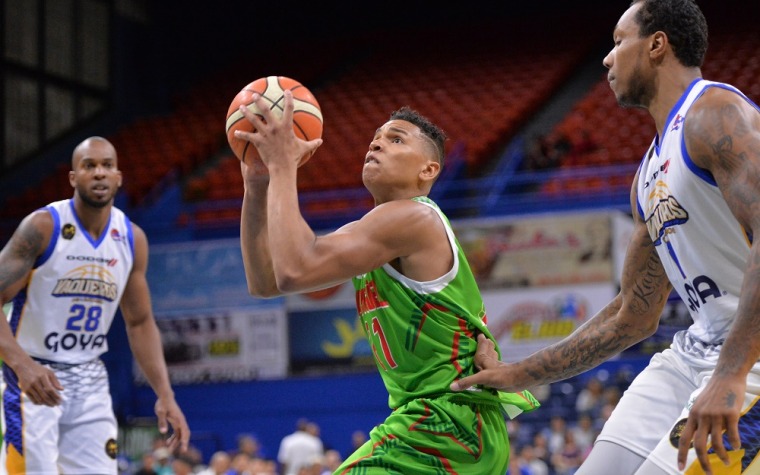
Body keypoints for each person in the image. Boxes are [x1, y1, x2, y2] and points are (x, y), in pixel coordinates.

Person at [450, 1, 760, 474]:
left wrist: (732, 372)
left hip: (749, 361)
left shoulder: (715, 114)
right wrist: (517, 372)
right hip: (692, 355)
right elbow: (630, 317)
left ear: (657, 45)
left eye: (619, 42)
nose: (607, 59)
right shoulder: (646, 177)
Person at [234, 93, 539, 474]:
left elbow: (295, 269)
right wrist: (256, 186)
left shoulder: (414, 219)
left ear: (427, 171)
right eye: (375, 137)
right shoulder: (377, 230)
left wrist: (283, 167)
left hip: (446, 424)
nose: (376, 142)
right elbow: (265, 282)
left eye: (396, 139)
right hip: (450, 424)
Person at [0, 136, 190, 473]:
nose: (99, 173)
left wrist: (165, 393)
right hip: (35, 374)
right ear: (74, 177)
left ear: (118, 176)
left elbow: (140, 322)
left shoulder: (132, 239)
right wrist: (22, 365)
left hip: (90, 377)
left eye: (106, 166)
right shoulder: (43, 227)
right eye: (89, 166)